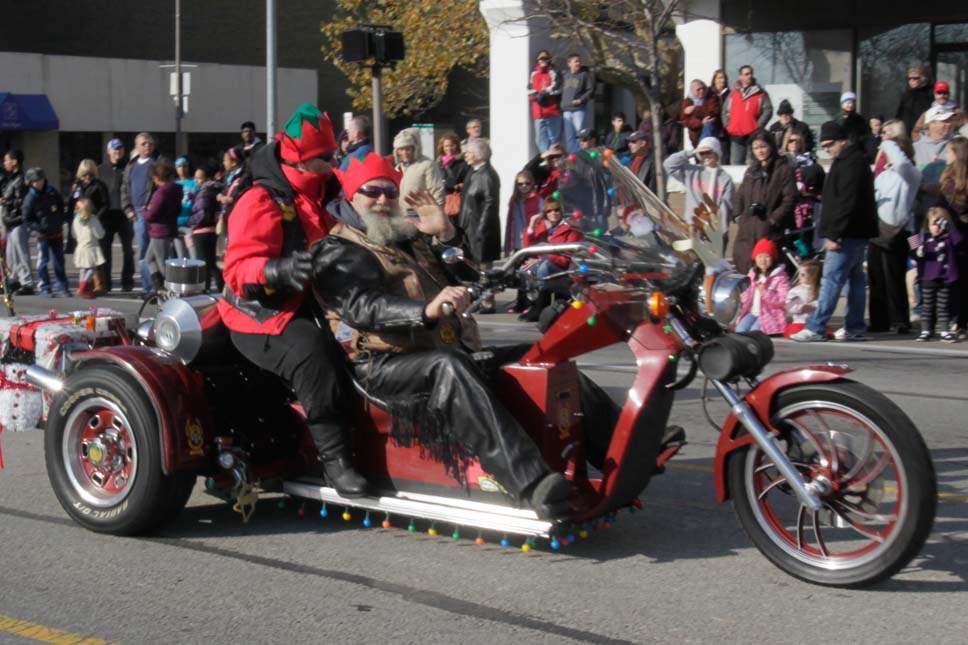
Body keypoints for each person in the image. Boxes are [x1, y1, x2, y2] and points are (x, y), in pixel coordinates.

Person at [311, 156, 573, 519]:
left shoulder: (409, 238)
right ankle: (531, 484)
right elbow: (363, 307)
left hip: (434, 347)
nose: (383, 200)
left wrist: (446, 232)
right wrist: (425, 311)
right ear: (351, 198)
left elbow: (469, 279)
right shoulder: (337, 249)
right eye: (372, 192)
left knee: (540, 352)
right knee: (446, 367)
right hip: (378, 364)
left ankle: (618, 444)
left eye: (390, 192)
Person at [218, 102, 368, 497]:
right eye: (326, 157)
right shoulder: (261, 201)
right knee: (314, 355)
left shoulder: (326, 188)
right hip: (262, 315)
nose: (334, 161)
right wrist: (278, 271)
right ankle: (335, 462)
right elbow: (237, 271)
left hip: (316, 299)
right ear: (301, 160)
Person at [791, 121, 878, 342]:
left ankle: (816, 327)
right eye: (824, 146)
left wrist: (834, 234)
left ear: (843, 141)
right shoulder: (850, 161)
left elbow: (846, 202)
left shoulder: (851, 163)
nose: (827, 149)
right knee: (855, 281)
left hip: (846, 234)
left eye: (830, 144)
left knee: (831, 279)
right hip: (855, 233)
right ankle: (855, 327)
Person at [869, 120, 920, 334]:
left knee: (894, 276)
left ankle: (900, 321)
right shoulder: (882, 175)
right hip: (877, 230)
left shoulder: (910, 173)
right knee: (876, 277)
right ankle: (879, 321)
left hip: (899, 232)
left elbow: (901, 163)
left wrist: (888, 141)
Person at [730, 130, 797, 274]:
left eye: (763, 146)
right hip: (747, 228)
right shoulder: (751, 171)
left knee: (768, 269)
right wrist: (738, 216)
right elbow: (740, 195)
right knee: (744, 264)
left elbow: (790, 199)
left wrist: (773, 220)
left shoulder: (783, 169)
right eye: (756, 148)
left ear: (771, 146)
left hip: (769, 229)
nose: (759, 151)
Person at [519, 197, 584, 322]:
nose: (553, 213)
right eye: (549, 211)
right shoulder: (545, 227)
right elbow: (528, 247)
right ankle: (536, 305)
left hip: (565, 271)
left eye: (557, 210)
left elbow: (566, 258)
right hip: (547, 264)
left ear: (562, 211)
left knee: (544, 268)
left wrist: (542, 259)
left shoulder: (571, 229)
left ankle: (540, 306)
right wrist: (532, 226)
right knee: (523, 269)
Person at [662, 137, 734, 236]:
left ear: (716, 153)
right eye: (702, 153)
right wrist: (692, 152)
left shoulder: (725, 179)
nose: (705, 156)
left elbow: (727, 206)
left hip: (714, 230)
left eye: (708, 152)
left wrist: (721, 229)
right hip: (692, 227)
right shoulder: (691, 172)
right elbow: (668, 164)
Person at [913, 207, 963, 342]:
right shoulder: (924, 237)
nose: (937, 227)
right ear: (928, 224)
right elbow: (912, 243)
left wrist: (949, 227)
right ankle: (925, 330)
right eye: (934, 223)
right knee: (927, 306)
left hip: (946, 277)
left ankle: (944, 330)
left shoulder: (949, 239)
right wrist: (918, 251)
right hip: (928, 277)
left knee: (943, 307)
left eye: (940, 223)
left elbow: (960, 241)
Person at [936, 137, 968, 337]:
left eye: (949, 151)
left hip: (958, 237)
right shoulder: (948, 178)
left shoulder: (951, 183)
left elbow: (945, 209)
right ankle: (959, 320)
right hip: (957, 236)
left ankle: (959, 320)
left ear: (957, 154)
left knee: (958, 280)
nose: (945, 155)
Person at [22, 167, 69, 297]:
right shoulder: (30, 198)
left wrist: (60, 219)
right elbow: (27, 218)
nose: (40, 182)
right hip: (42, 235)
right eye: (36, 180)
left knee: (58, 261)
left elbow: (60, 205)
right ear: (31, 182)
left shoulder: (52, 191)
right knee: (43, 261)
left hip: (56, 231)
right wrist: (38, 228)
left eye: (41, 179)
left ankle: (62, 286)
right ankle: (45, 286)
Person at [121, 132, 158, 294]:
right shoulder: (131, 166)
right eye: (143, 143)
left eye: (150, 143)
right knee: (143, 250)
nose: (147, 146)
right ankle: (147, 287)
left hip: (152, 212)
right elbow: (124, 189)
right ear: (136, 147)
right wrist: (128, 209)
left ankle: (156, 286)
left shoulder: (156, 165)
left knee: (155, 250)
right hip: (137, 212)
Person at [458, 138, 501, 269]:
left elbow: (490, 204)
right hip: (470, 228)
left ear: (479, 154)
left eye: (469, 152)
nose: (466, 155)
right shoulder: (473, 172)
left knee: (483, 269)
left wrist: (481, 229)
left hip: (480, 231)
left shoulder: (487, 175)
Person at [98, 139, 135, 291]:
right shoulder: (100, 169)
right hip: (106, 216)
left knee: (128, 250)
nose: (117, 151)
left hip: (124, 215)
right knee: (104, 251)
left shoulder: (129, 168)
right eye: (114, 149)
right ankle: (105, 283)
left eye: (120, 149)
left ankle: (127, 283)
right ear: (108, 151)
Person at [504, 170, 543, 313]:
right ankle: (521, 302)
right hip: (517, 243)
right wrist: (508, 243)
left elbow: (541, 224)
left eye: (527, 183)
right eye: (520, 184)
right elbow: (510, 223)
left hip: (531, 243)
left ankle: (530, 303)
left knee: (528, 274)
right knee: (518, 275)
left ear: (533, 184)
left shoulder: (538, 200)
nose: (524, 187)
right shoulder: (514, 200)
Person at [142, 159, 183, 291]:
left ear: (158, 177)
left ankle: (172, 288)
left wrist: (145, 211)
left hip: (159, 231)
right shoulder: (176, 190)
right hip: (169, 228)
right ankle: (159, 287)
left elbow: (152, 214)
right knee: (149, 259)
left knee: (161, 262)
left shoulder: (161, 193)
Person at [734, 238, 791, 335]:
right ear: (755, 258)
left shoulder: (780, 277)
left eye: (767, 257)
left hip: (770, 316)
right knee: (740, 331)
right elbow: (749, 292)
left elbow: (783, 299)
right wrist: (743, 296)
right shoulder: (752, 275)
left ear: (773, 258)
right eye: (760, 256)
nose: (763, 260)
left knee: (754, 333)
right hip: (752, 313)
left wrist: (765, 292)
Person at [723, 65, 773, 165]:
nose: (749, 76)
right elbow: (725, 111)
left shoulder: (760, 93)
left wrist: (758, 126)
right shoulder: (733, 93)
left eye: (750, 74)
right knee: (736, 164)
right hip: (736, 134)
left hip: (753, 135)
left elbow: (768, 110)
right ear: (740, 76)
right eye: (746, 74)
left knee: (752, 163)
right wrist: (728, 126)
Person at [1, 150, 35, 294]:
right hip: (10, 221)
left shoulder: (21, 179)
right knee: (11, 254)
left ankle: (27, 283)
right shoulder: (11, 179)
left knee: (21, 253)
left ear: (14, 162)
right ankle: (14, 280)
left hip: (18, 220)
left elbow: (21, 201)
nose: (4, 163)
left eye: (7, 160)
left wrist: (6, 201)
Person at [187, 164, 223, 292]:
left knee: (203, 264)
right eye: (195, 178)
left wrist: (190, 221)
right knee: (212, 263)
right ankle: (220, 289)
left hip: (202, 231)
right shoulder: (213, 190)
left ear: (206, 179)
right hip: (211, 231)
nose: (196, 181)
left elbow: (201, 214)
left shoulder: (205, 192)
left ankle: (205, 289)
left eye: (199, 178)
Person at [392, 128, 445, 206]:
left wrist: (437, 214)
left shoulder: (427, 164)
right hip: (401, 214)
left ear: (415, 149)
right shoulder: (398, 168)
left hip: (422, 213)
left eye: (408, 149)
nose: (405, 153)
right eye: (401, 149)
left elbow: (437, 191)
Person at [528, 50, 563, 153]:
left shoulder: (554, 72)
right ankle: (547, 159)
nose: (543, 61)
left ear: (549, 60)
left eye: (545, 59)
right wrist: (535, 96)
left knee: (554, 140)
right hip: (538, 113)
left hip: (552, 111)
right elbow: (529, 89)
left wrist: (545, 92)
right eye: (541, 59)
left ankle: (555, 162)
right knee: (540, 140)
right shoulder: (533, 73)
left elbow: (559, 88)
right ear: (538, 61)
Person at [71, 197, 106, 299]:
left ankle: (82, 288)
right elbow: (99, 234)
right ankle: (83, 287)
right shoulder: (93, 218)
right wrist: (103, 232)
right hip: (90, 248)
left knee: (83, 269)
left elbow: (73, 234)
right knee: (92, 269)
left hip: (80, 247)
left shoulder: (76, 219)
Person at [561, 53, 595, 154]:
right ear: (569, 63)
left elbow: (590, 90)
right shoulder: (565, 75)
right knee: (569, 137)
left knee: (580, 135)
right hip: (566, 110)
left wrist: (581, 100)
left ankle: (581, 156)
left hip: (578, 110)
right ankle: (573, 158)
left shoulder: (584, 74)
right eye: (576, 61)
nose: (578, 63)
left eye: (579, 61)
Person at [677, 79, 721, 149]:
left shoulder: (711, 97)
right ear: (692, 91)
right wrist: (701, 123)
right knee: (699, 157)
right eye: (698, 90)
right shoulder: (687, 101)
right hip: (695, 136)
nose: (702, 91)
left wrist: (695, 109)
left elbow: (711, 113)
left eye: (703, 88)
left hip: (710, 135)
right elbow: (685, 121)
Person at [784, 258, 821, 337]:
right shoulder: (796, 291)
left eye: (803, 274)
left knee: (823, 331)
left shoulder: (820, 290)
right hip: (799, 322)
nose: (799, 276)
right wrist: (800, 308)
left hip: (815, 322)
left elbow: (823, 303)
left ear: (813, 276)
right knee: (795, 331)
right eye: (799, 273)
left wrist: (813, 306)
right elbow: (789, 306)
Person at [896, 65, 934, 136]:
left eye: (915, 78)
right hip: (905, 134)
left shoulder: (930, 94)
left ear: (924, 78)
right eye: (909, 78)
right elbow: (899, 114)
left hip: (921, 134)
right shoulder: (906, 94)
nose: (912, 81)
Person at [836, 91, 874, 161]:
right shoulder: (838, 119)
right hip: (843, 152)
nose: (851, 105)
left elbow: (867, 136)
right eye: (848, 102)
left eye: (852, 102)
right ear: (842, 104)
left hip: (858, 151)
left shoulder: (860, 119)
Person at [436, 134, 467, 218]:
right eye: (446, 146)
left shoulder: (463, 163)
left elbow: (468, 182)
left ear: (457, 146)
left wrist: (457, 186)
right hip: (441, 201)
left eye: (452, 145)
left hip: (456, 201)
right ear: (442, 147)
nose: (449, 148)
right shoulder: (438, 163)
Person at [173, 156, 197, 259]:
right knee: (181, 256)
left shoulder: (194, 183)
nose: (182, 169)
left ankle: (195, 274)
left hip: (190, 223)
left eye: (184, 166)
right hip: (176, 223)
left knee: (193, 254)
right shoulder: (173, 184)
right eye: (179, 166)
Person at [709, 68, 731, 163]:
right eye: (719, 78)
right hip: (711, 130)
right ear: (714, 80)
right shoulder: (708, 94)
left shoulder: (730, 94)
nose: (722, 80)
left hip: (725, 131)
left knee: (724, 157)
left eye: (724, 78)